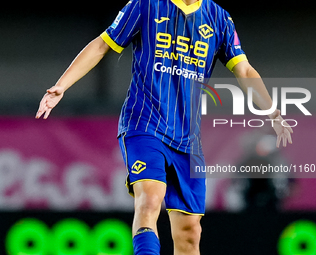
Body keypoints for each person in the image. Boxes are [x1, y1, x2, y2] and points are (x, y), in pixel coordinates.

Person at [36, 0, 293, 254]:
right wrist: (62, 85)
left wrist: (271, 110)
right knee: (149, 200)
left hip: (187, 140)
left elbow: (245, 70)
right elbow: (103, 44)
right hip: (144, 124)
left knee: (190, 233)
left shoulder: (219, 18)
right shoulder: (146, 5)